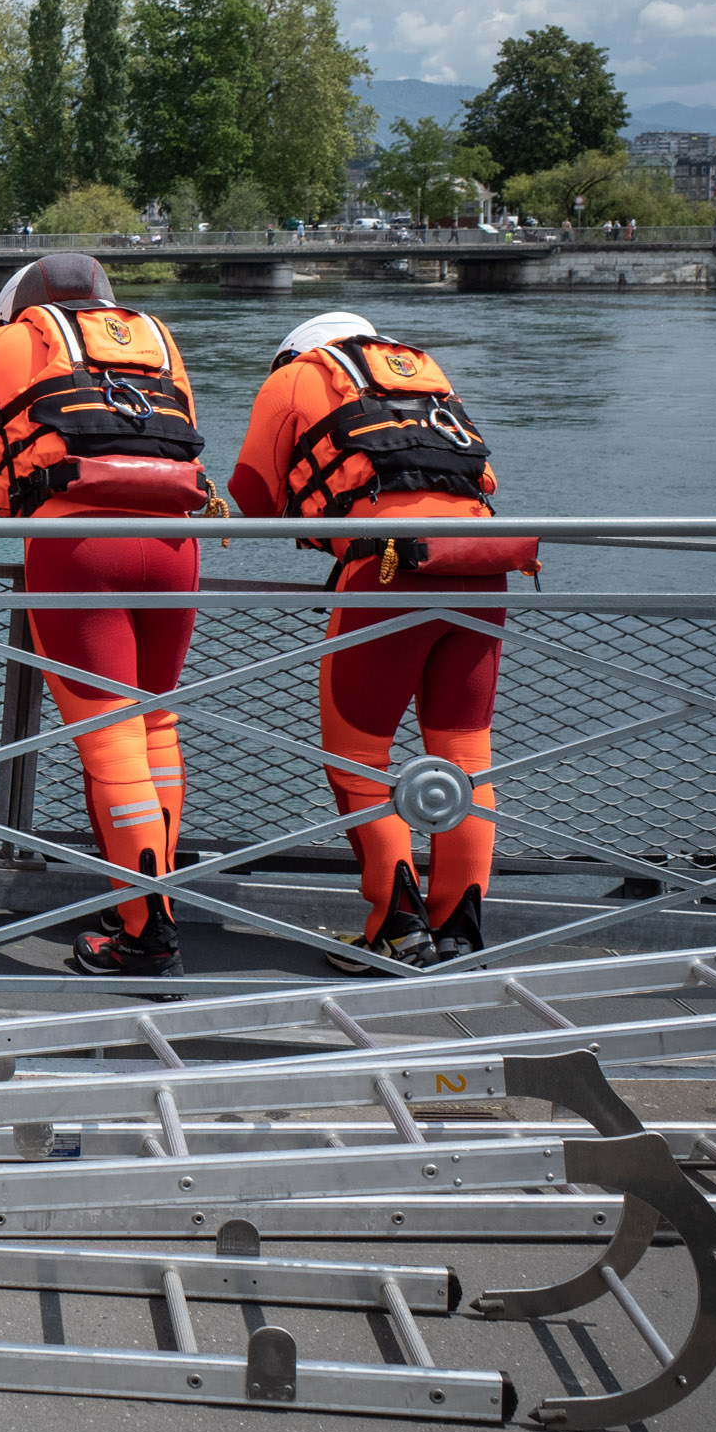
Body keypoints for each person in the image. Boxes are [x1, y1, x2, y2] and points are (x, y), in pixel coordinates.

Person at [229, 310, 523, 970]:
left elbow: (249, 491)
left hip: (385, 570)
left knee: (358, 756)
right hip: (482, 566)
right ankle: (459, 929)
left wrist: (318, 519)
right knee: (466, 750)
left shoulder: (297, 378)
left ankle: (396, 929)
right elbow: (482, 482)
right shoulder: (426, 380)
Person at [0, 254, 210, 978]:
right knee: (157, 724)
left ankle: (145, 931)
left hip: (77, 548)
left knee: (109, 739)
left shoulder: (3, 343)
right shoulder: (155, 335)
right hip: (173, 545)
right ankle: (142, 896)